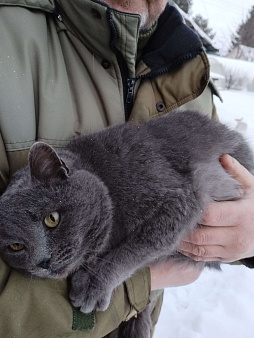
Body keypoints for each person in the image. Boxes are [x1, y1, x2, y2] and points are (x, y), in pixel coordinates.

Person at [0, 1, 254, 337]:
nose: (41, 263)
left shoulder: (188, 64)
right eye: (17, 249)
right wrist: (138, 280)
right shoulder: (9, 36)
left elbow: (189, 204)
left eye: (52, 220)